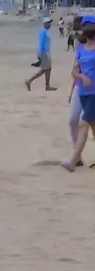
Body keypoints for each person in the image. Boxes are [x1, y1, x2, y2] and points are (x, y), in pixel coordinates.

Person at [63, 17, 95, 171]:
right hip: (81, 90)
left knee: (83, 124)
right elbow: (75, 70)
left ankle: (74, 159)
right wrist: (74, 88)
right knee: (76, 121)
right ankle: (77, 158)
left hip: (93, 93)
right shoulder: (81, 47)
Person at [25, 18, 57, 91]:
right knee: (45, 69)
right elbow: (41, 43)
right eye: (48, 22)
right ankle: (29, 81)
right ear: (44, 24)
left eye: (50, 22)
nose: (50, 24)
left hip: (46, 52)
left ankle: (47, 85)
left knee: (47, 69)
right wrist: (39, 53)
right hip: (44, 52)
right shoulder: (43, 32)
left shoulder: (46, 31)